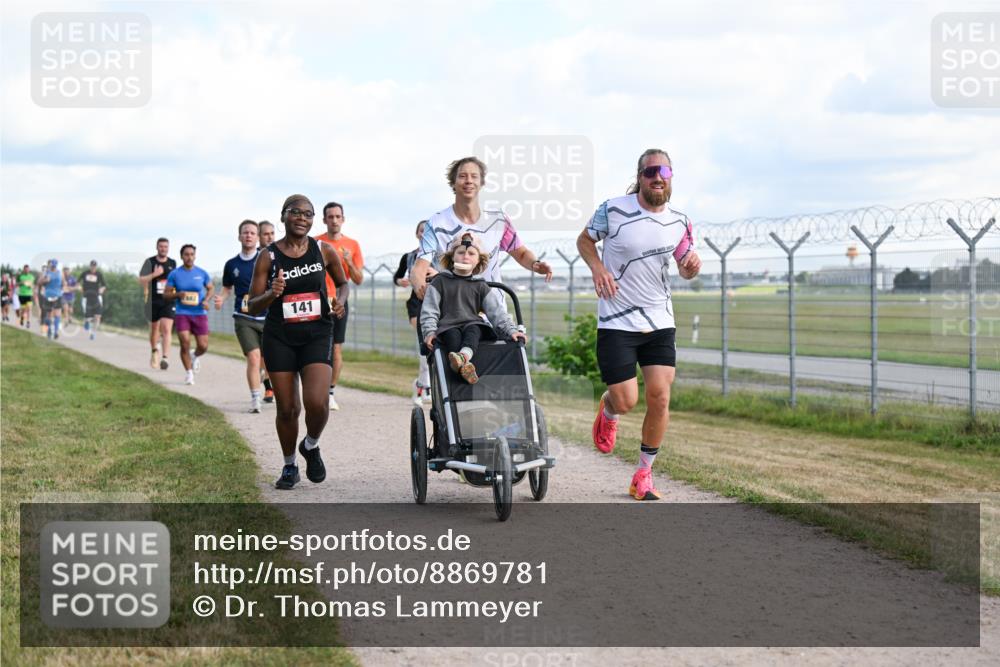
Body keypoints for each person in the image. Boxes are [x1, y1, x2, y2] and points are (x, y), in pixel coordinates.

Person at [578, 148, 702, 502]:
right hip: (617, 319)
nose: (658, 177)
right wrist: (598, 268)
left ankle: (643, 474)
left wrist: (691, 268)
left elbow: (684, 265)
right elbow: (585, 240)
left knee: (660, 396)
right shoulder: (614, 209)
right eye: (651, 172)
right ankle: (609, 409)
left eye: (664, 171)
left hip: (660, 318)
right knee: (627, 399)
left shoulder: (680, 221)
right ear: (640, 176)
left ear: (671, 177)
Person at [248, 194, 349, 490]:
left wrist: (340, 303)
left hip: (317, 334)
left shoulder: (324, 250)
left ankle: (311, 445)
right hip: (280, 337)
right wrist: (272, 293)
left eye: (308, 214)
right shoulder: (268, 256)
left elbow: (343, 284)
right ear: (283, 216)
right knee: (288, 409)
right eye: (296, 213)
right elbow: (253, 305)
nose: (302, 218)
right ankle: (290, 465)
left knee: (317, 403)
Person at [409, 156, 554, 298]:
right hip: (452, 312)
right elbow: (419, 268)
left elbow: (521, 254)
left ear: (482, 183)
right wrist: (421, 288)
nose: (469, 181)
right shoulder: (436, 223)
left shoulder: (498, 220)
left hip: (493, 310)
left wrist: (535, 264)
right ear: (453, 182)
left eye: (474, 176)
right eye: (462, 176)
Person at [420, 233, 525, 384]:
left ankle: (462, 358)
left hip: (472, 324)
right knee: (452, 335)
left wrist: (512, 330)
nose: (465, 256)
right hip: (448, 326)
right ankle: (465, 366)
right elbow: (430, 311)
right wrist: (429, 332)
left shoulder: (480, 285)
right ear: (452, 257)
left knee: (474, 329)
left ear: (478, 260)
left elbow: (497, 312)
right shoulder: (440, 282)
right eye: (461, 252)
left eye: (471, 253)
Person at [314, 201, 364, 410]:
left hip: (338, 301)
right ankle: (315, 388)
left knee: (336, 348)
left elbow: (358, 279)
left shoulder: (352, 245)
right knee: (315, 347)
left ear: (343, 219)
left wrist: (348, 261)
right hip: (316, 300)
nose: (334, 220)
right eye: (330, 217)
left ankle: (331, 391)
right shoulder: (315, 242)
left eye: (337, 216)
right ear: (324, 220)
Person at [215, 220, 268, 413]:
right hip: (243, 317)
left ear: (257, 237)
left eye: (252, 233)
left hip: (267, 318)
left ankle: (263, 373)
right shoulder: (232, 264)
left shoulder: (266, 259)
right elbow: (228, 288)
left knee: (268, 359)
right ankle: (255, 399)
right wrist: (221, 298)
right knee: (254, 358)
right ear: (239, 236)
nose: (248, 235)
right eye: (245, 232)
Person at [394, 220, 436, 404]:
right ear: (417, 234)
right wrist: (401, 281)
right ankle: (420, 388)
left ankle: (426, 386)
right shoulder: (409, 257)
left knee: (433, 346)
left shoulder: (440, 256)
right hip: (416, 303)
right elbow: (397, 276)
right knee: (424, 345)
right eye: (421, 230)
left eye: (428, 230)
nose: (424, 233)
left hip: (435, 302)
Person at [163, 244, 214, 386]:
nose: (189, 257)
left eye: (192, 254)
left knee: (203, 346)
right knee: (185, 342)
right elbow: (166, 295)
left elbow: (210, 288)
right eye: (186, 254)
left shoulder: (202, 273)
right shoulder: (175, 274)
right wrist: (178, 294)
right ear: (181, 256)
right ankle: (189, 373)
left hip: (199, 313)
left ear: (195, 256)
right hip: (182, 313)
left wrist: (206, 300)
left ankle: (194, 355)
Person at [138, 238, 177, 370]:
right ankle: (154, 351)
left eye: (166, 247)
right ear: (157, 247)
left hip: (168, 300)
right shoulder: (150, 262)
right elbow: (141, 280)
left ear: (168, 248)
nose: (163, 249)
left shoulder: (172, 263)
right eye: (161, 246)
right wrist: (154, 274)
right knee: (155, 329)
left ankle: (165, 358)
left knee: (166, 329)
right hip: (153, 301)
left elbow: (176, 280)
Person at [257, 221, 276, 403]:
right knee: (262, 354)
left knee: (272, 354)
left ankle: (271, 384)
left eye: (272, 233)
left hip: (276, 311)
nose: (269, 237)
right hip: (257, 313)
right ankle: (268, 387)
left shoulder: (280, 254)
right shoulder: (255, 258)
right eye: (265, 234)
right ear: (258, 236)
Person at [79, 260, 107, 340]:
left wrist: (101, 289)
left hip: (96, 297)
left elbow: (104, 285)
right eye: (92, 266)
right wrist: (80, 288)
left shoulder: (99, 274)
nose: (93, 267)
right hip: (86, 297)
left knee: (97, 316)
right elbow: (78, 283)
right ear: (90, 266)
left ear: (96, 266)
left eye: (94, 266)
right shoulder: (85, 273)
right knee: (89, 317)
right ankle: (86, 321)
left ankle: (93, 333)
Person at [38, 259, 64, 339]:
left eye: (54, 266)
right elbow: (39, 282)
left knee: (57, 314)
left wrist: (61, 290)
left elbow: (63, 283)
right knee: (48, 315)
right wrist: (44, 280)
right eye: (52, 266)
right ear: (50, 265)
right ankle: (49, 330)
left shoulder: (60, 273)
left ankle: (55, 332)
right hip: (48, 295)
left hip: (57, 295)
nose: (53, 267)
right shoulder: (46, 273)